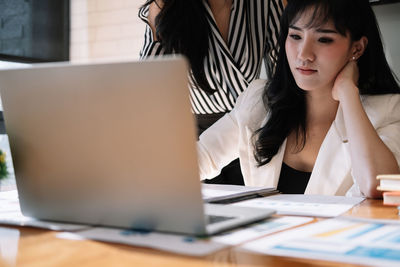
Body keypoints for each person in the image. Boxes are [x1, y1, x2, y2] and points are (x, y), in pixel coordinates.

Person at [197, 0, 400, 198]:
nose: (304, 54)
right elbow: (198, 160)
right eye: (295, 36)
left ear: (357, 48)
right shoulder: (260, 100)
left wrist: (348, 93)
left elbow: (377, 186)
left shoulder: (390, 109)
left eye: (324, 39)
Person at [138, 0, 285, 185]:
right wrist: (156, 18)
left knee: (250, 207)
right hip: (193, 138)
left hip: (246, 128)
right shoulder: (168, 6)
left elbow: (285, 74)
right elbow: (149, 89)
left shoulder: (264, 4)